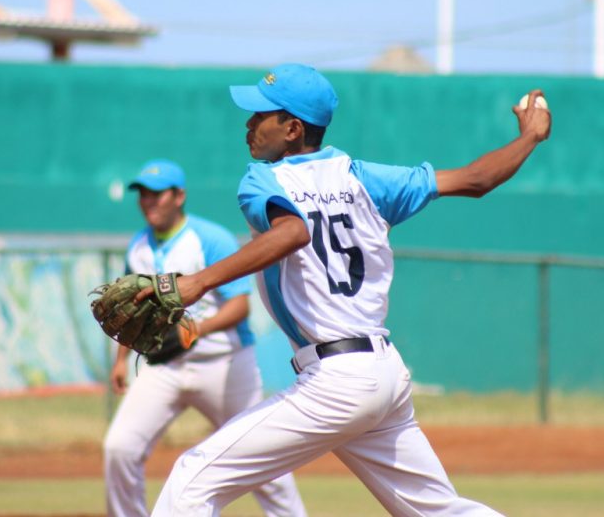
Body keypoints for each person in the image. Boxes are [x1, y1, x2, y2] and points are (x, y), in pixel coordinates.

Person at [149, 64, 552, 516]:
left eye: (261, 114)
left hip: (337, 381)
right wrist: (530, 137)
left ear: (292, 129)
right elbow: (476, 179)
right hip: (383, 373)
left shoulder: (264, 178)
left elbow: (292, 233)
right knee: (439, 510)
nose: (249, 123)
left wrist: (196, 282)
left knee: (192, 479)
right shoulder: (366, 179)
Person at [103, 158, 307, 517]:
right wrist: (121, 360)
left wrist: (197, 329)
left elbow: (239, 307)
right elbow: (131, 314)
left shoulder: (210, 239)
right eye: (143, 194)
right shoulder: (138, 246)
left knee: (263, 463)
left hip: (225, 365)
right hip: (163, 367)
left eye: (156, 194)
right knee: (120, 448)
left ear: (179, 196)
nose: (148, 201)